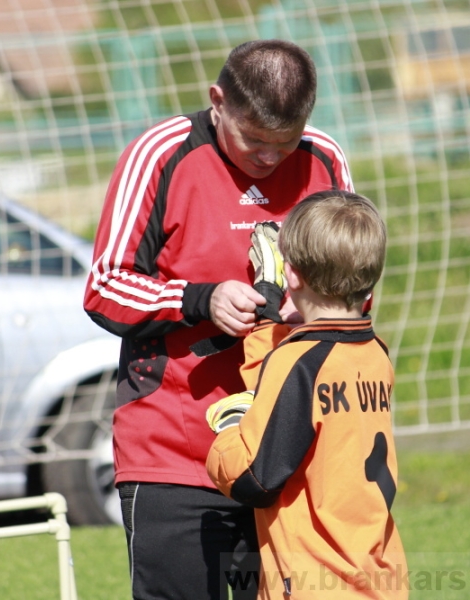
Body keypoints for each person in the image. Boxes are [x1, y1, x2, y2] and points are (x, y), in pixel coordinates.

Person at [83, 39, 353, 600]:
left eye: (285, 142)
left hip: (286, 450)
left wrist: (305, 307)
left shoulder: (324, 158)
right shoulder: (159, 154)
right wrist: (200, 300)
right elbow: (104, 287)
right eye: (254, 139)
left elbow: (356, 287)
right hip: (174, 452)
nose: (269, 158)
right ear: (217, 101)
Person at [205, 191, 408, 599]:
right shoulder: (374, 354)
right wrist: (270, 321)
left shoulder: (298, 362)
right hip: (378, 577)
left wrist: (229, 431)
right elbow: (290, 375)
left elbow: (253, 480)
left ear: (292, 275)